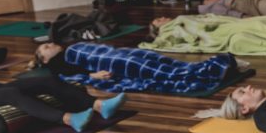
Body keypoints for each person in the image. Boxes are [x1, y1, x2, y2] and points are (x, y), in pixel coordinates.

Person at [31, 42, 239, 95]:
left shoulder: (72, 47)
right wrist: (92, 74)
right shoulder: (58, 62)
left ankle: (203, 67)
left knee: (153, 57)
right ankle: (207, 70)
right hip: (112, 62)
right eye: (45, 48)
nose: (50, 44)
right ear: (45, 60)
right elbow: (67, 72)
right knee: (145, 68)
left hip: (119, 52)